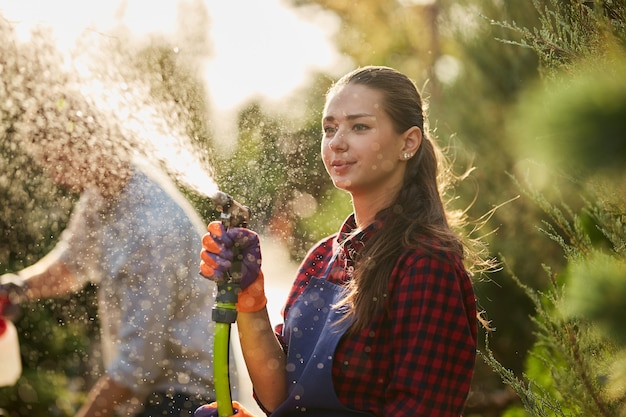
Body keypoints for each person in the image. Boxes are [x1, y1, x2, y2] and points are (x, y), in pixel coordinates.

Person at [198, 65, 481, 417]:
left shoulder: (424, 266)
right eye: (329, 129)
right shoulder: (322, 258)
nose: (337, 142)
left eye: (359, 126)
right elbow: (280, 397)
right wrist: (250, 297)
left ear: (408, 143)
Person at [0, 92, 238, 416]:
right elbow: (71, 264)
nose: (52, 174)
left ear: (80, 145)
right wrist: (17, 287)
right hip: (153, 390)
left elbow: (136, 367)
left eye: (53, 160)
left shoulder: (151, 229)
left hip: (189, 399)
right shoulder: (106, 190)